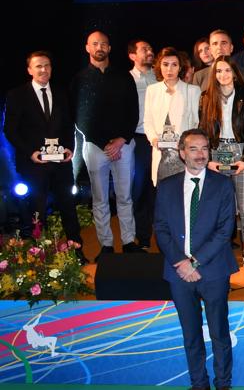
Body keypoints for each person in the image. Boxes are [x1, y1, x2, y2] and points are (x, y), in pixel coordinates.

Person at [153, 129, 238, 390]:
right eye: (193, 149)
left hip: (212, 270)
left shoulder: (223, 185)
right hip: (178, 272)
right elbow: (161, 229)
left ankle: (223, 385)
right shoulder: (166, 187)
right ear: (181, 152)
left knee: (219, 331)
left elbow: (226, 230)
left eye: (204, 148)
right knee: (190, 332)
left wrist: (196, 262)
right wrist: (181, 262)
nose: (201, 154)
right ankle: (198, 385)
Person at [72, 30, 143, 256]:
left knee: (125, 196)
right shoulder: (80, 80)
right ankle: (106, 245)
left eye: (104, 43)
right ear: (87, 48)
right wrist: (105, 143)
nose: (99, 47)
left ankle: (129, 241)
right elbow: (79, 116)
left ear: (109, 48)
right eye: (95, 44)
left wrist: (121, 140)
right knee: (100, 198)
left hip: (124, 145)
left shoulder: (124, 77)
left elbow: (134, 111)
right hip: (94, 146)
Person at [3, 51, 82, 245]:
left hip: (61, 162)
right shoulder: (16, 95)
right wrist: (31, 152)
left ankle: (76, 247)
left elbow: (68, 124)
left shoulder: (62, 92)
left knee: (68, 206)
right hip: (33, 164)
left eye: (47, 65)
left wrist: (70, 148)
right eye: (38, 66)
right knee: (36, 209)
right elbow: (10, 130)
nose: (43, 69)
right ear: (30, 70)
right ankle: (38, 252)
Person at [198, 57, 244, 262]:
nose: (222, 75)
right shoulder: (206, 96)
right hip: (216, 151)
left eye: (226, 70)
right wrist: (207, 160)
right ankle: (218, 252)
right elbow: (203, 130)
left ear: (234, 72)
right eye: (218, 71)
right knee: (219, 207)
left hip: (239, 150)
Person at [144, 48, 201, 186]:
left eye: (174, 64)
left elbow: (196, 123)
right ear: (159, 66)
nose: (169, 69)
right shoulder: (152, 90)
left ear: (180, 67)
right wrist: (153, 139)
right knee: (163, 194)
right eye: (165, 64)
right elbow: (148, 120)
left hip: (183, 152)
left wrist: (185, 142)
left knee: (184, 192)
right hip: (160, 152)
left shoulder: (192, 91)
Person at [128, 40, 158, 249]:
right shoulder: (127, 80)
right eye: (144, 49)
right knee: (140, 189)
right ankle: (144, 238)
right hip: (138, 139)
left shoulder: (161, 76)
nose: (150, 52)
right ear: (132, 55)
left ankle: (166, 238)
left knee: (160, 190)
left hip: (162, 140)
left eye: (150, 48)